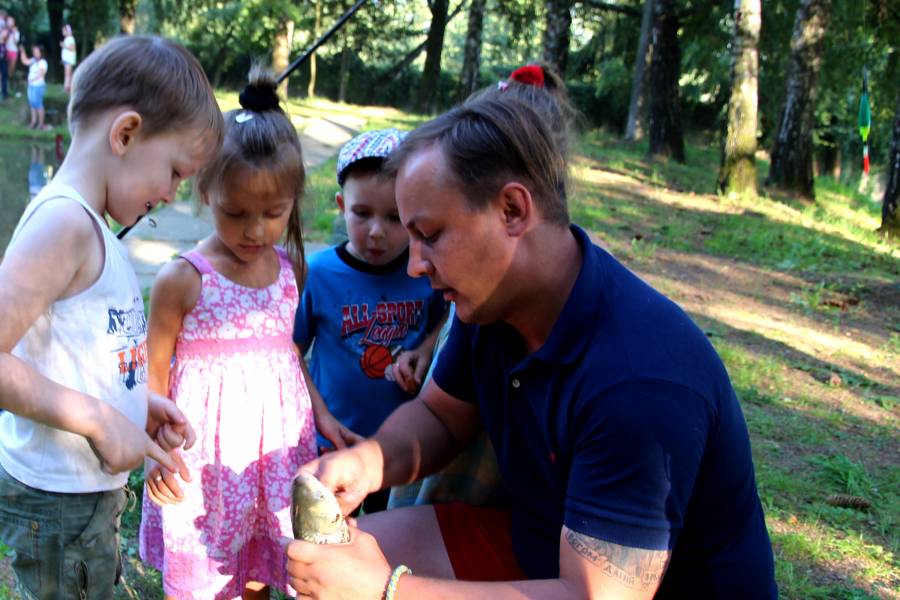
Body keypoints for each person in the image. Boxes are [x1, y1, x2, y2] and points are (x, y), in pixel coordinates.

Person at [284, 66, 778, 598]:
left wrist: (387, 591)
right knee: (321, 566)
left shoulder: (640, 381)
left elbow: (593, 597)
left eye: (430, 236)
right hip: (537, 549)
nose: (415, 265)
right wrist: (366, 464)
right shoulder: (492, 304)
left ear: (513, 210)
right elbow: (439, 417)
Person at [0, 35, 222, 599]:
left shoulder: (91, 223)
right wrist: (101, 420)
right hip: (55, 503)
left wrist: (132, 404)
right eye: (174, 171)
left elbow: (74, 345)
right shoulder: (65, 224)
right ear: (125, 134)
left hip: (83, 498)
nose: (174, 193)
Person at [138, 68, 355, 600]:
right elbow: (152, 376)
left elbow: (288, 353)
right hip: (204, 458)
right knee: (204, 574)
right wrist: (151, 452)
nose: (254, 230)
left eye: (273, 213)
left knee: (259, 567)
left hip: (272, 451)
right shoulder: (182, 279)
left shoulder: (289, 270)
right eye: (235, 213)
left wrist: (323, 414)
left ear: (293, 201)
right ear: (203, 190)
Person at [293, 127, 447, 513]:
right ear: (342, 204)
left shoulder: (425, 271)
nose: (376, 232)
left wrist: (425, 351)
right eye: (362, 214)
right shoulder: (319, 274)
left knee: (382, 538)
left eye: (394, 217)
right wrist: (321, 416)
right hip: (332, 440)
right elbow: (289, 352)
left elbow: (447, 323)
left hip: (399, 451)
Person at [19, 43, 47, 129]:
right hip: (31, 86)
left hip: (38, 86)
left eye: (36, 51)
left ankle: (41, 124)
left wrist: (31, 80)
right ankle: (33, 122)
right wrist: (22, 51)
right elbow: (25, 61)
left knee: (38, 104)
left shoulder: (43, 62)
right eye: (34, 51)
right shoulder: (33, 60)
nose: (35, 53)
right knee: (32, 104)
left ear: (41, 52)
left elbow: (42, 73)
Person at [60, 24, 76, 94]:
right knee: (67, 73)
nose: (62, 32)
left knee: (68, 74)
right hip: (66, 59)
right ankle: (68, 87)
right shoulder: (67, 38)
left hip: (69, 60)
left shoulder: (70, 38)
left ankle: (67, 87)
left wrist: (64, 45)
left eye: (64, 30)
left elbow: (72, 48)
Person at [4, 14, 18, 89]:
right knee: (4, 69)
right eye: (9, 21)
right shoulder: (4, 30)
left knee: (11, 69)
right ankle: (5, 85)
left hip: (13, 51)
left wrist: (13, 33)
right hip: (5, 51)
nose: (10, 23)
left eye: (12, 21)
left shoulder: (16, 31)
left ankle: (9, 84)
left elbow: (16, 42)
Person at [0, 11, 8, 100]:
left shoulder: (4, 25)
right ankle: (4, 92)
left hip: (3, 52)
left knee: (4, 72)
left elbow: (4, 37)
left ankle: (4, 92)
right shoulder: (3, 24)